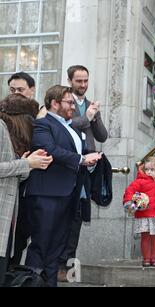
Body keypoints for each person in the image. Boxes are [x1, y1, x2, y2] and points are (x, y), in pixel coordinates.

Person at [24, 85, 102, 286]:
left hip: (69, 194)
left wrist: (92, 160)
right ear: (54, 103)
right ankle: (32, 283)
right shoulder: (43, 124)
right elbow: (49, 150)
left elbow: (79, 154)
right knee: (40, 245)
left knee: (57, 248)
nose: (73, 108)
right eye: (69, 103)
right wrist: (83, 158)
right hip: (47, 194)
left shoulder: (72, 127)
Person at [58, 65, 108, 281]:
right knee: (62, 216)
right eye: (79, 81)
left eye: (86, 80)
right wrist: (85, 117)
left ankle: (67, 269)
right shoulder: (63, 101)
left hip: (86, 168)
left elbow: (103, 136)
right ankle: (57, 265)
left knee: (78, 216)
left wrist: (94, 117)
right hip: (67, 165)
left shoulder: (90, 105)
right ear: (70, 81)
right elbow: (63, 126)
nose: (83, 85)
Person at [0, 94, 53, 286]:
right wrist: (25, 163)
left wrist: (28, 165)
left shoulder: (8, 132)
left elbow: (13, 171)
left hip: (6, 223)